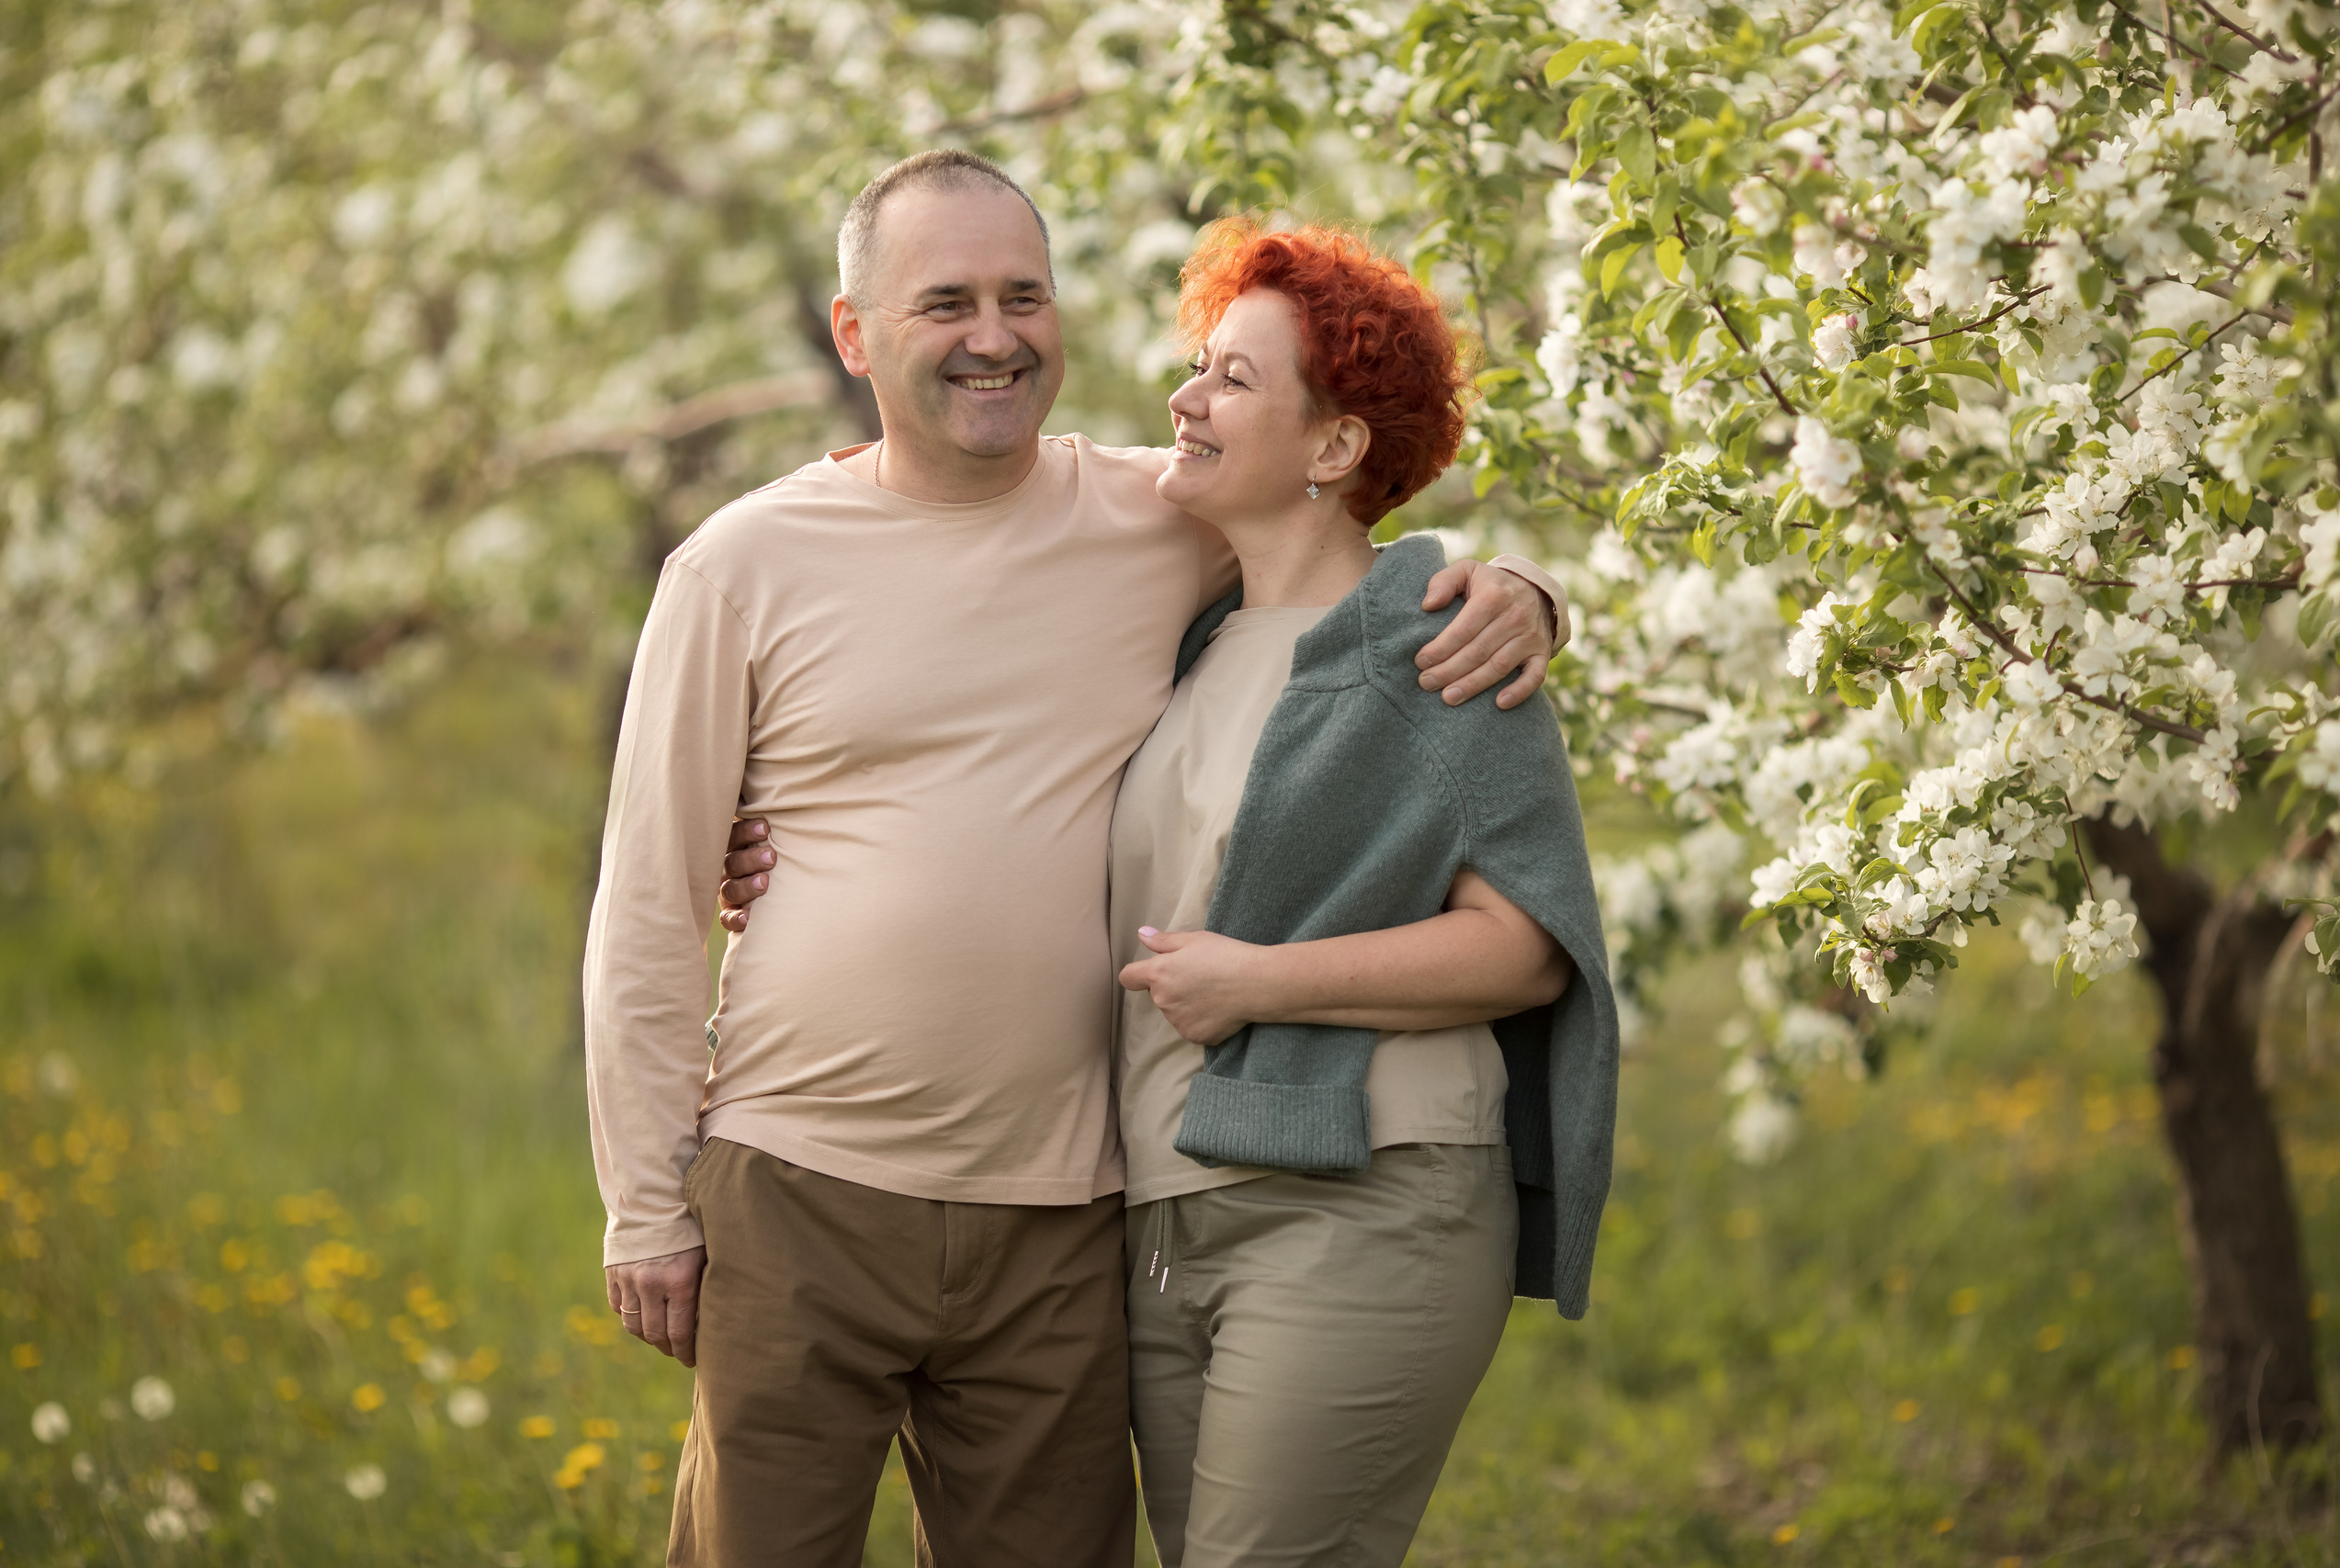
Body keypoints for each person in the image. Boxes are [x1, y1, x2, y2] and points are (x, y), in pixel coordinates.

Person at [584, 148, 1567, 1568]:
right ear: (857, 333)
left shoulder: (1157, 520)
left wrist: (1524, 588)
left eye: (1023, 296)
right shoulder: (739, 565)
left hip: (1064, 1214)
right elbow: (650, 904)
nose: (996, 336)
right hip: (798, 1186)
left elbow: (1339, 539)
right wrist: (644, 1208)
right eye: (947, 304)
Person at [1104, 220, 1619, 1567]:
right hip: (1165, 1202)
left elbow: (1528, 950)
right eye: (1196, 366)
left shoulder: (1436, 642)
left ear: (1334, 449)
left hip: (1366, 1194)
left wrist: (1258, 982)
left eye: (1231, 379)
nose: (1185, 399)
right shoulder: (1190, 637)